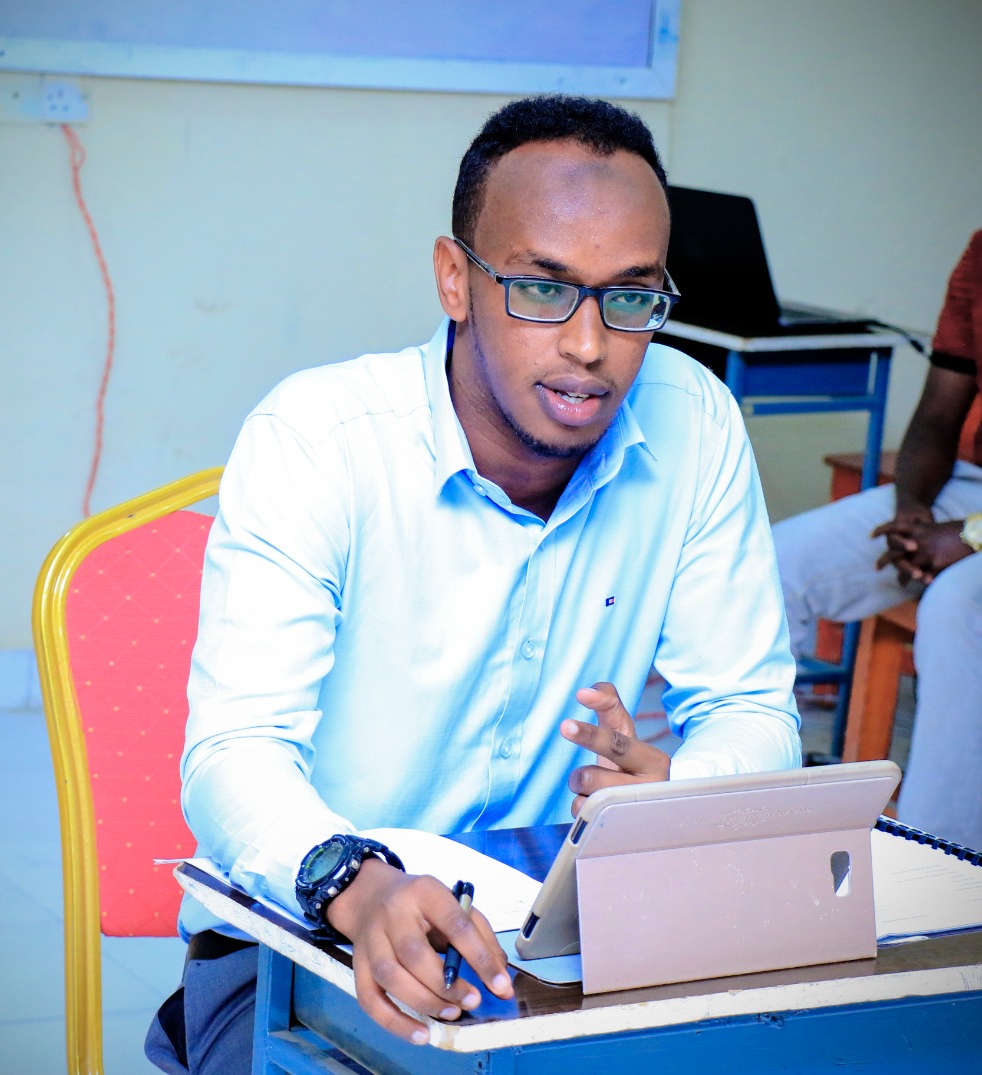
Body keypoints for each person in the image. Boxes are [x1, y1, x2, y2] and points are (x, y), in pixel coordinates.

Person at [146, 94, 801, 1072]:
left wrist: (686, 791)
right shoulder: (316, 441)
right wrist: (360, 887)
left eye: (631, 296)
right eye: (543, 289)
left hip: (557, 945)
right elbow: (233, 755)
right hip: (309, 939)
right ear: (456, 278)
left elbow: (755, 711)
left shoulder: (695, 424)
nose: (590, 345)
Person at [774, 230, 982, 852]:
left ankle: (944, 860)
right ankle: (752, 809)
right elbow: (940, 412)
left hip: (973, 521)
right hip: (966, 490)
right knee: (778, 563)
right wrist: (915, 512)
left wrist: (969, 537)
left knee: (959, 603)